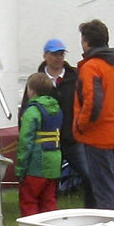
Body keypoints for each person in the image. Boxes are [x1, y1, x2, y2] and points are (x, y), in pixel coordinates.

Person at [72, 19, 114, 210]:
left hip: (97, 136)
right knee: (112, 185)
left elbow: (93, 103)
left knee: (103, 189)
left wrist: (80, 125)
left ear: (86, 42)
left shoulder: (91, 67)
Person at [33, 39, 85, 201]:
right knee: (46, 177)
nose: (58, 58)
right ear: (45, 56)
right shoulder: (37, 80)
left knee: (87, 172)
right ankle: (46, 204)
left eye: (61, 54)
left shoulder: (75, 77)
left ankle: (93, 202)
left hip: (72, 136)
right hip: (47, 138)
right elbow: (30, 107)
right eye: (55, 54)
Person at [17, 73, 63, 217]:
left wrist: (20, 168)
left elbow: (26, 141)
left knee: (29, 199)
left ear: (31, 90)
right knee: (48, 200)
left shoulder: (32, 111)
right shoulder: (57, 109)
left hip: (36, 164)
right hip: (54, 161)